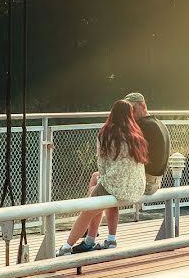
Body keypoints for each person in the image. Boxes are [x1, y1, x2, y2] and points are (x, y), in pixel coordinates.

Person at [57, 100, 148, 255]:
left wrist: (102, 181)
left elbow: (102, 164)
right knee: (107, 195)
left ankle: (66, 247)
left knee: (86, 211)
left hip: (116, 184)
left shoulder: (106, 132)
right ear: (130, 115)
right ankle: (110, 240)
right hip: (137, 186)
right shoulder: (136, 134)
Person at [85, 92, 171, 249]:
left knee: (103, 184)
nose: (129, 114)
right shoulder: (159, 123)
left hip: (146, 183)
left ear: (142, 106)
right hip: (156, 180)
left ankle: (89, 234)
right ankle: (103, 235)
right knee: (101, 181)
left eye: (132, 109)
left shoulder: (142, 127)